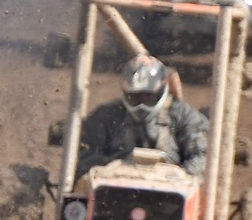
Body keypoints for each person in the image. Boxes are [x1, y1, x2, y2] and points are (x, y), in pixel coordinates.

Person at [78, 55, 208, 177]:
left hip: (172, 187)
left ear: (161, 90)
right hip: (115, 184)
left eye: (148, 96)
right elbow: (85, 157)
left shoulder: (184, 115)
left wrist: (183, 174)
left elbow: (203, 155)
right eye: (135, 97)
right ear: (125, 91)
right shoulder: (106, 115)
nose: (142, 104)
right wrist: (110, 167)